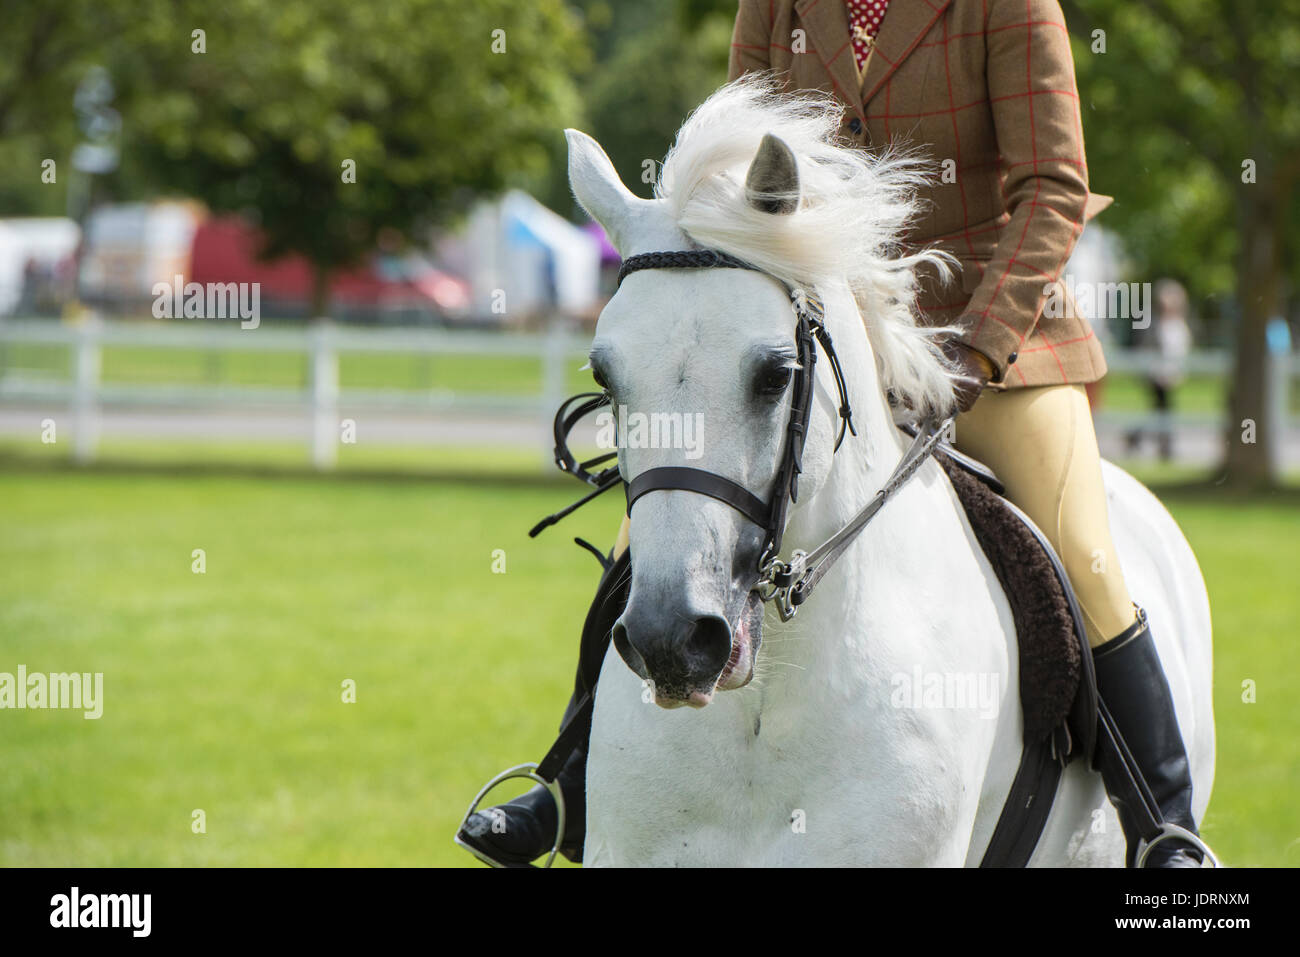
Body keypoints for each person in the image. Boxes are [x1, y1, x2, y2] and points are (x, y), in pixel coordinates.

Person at [459, 0, 1208, 867]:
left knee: (1089, 555)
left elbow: (1053, 192)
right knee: (652, 533)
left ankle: (1164, 827)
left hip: (997, 341)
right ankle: (567, 779)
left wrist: (981, 344)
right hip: (823, 337)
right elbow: (735, 180)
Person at [1126, 280, 1192, 461]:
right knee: (1163, 410)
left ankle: (1138, 437)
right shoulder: (1154, 324)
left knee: (1159, 410)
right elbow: (1147, 349)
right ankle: (1166, 447)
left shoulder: (1179, 325)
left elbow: (1181, 349)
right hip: (1157, 375)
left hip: (1171, 374)